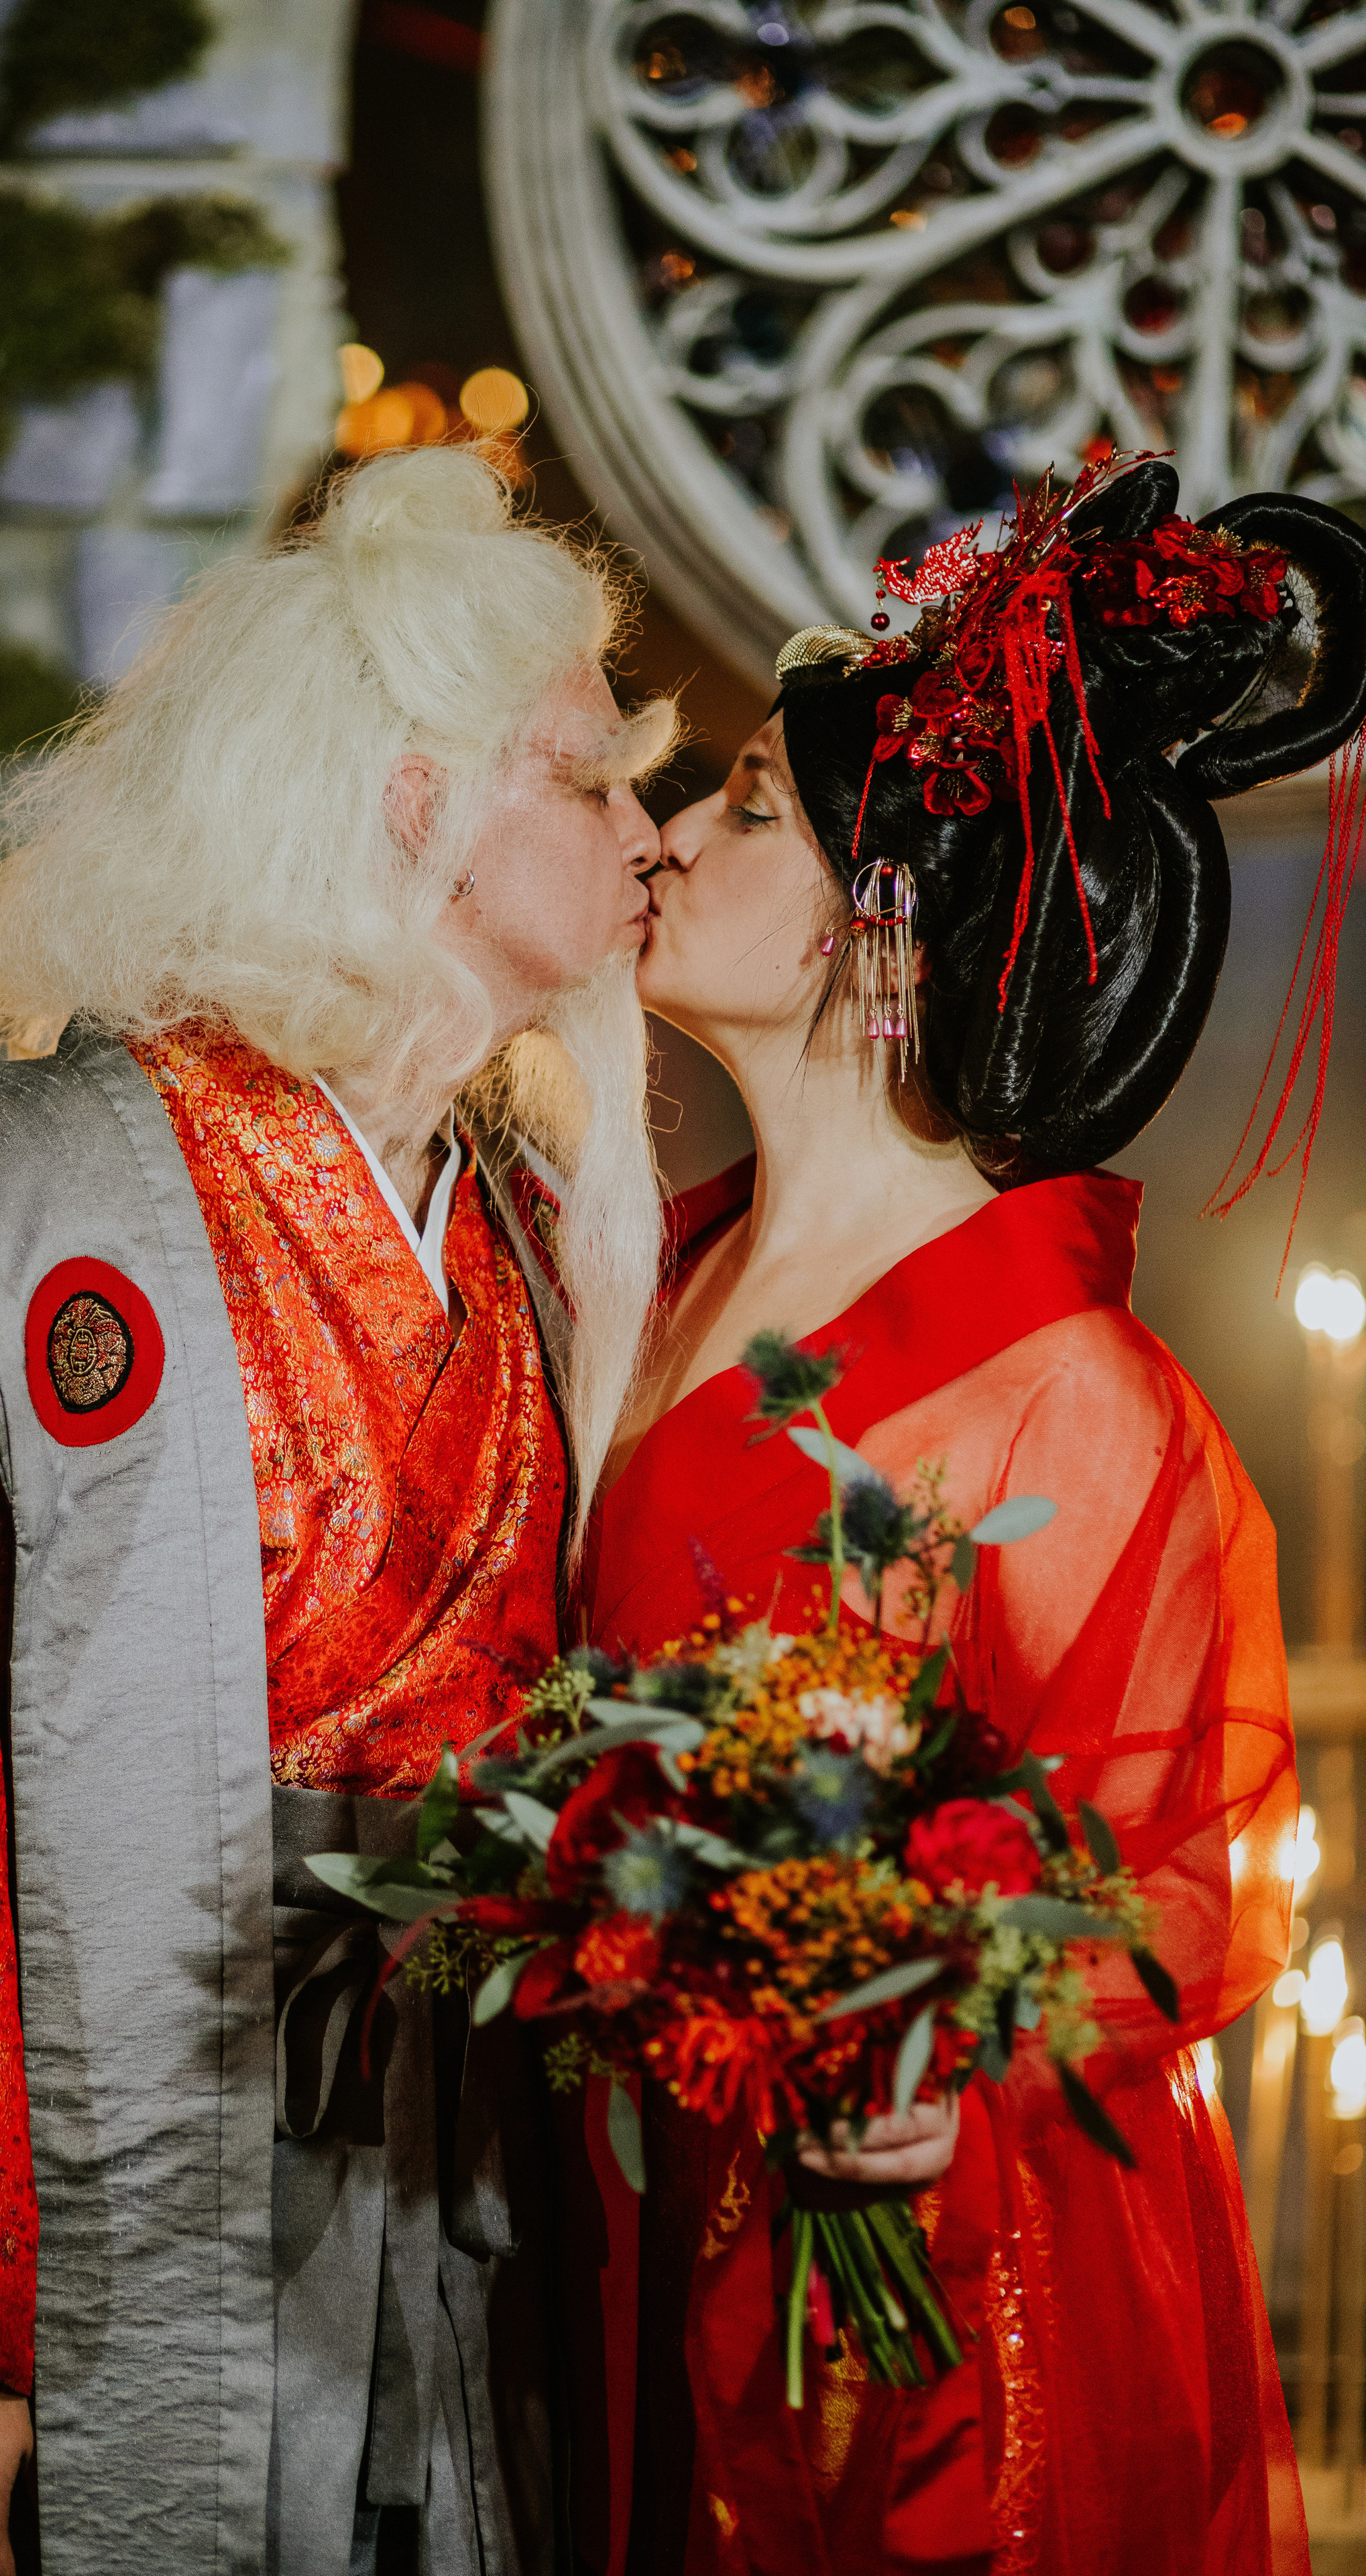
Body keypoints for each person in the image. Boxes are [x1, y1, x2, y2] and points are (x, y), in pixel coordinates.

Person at [0, 447, 677, 2576]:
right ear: (413, 799)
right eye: (588, 779)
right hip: (101, 2254)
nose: (647, 833)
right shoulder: (8, 1209)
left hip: (447, 2234)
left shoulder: (508, 1239)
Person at [565, 456, 1363, 2575]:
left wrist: (932, 2030)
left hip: (935, 2279)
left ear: (878, 917)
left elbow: (1178, 1891)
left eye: (738, 810)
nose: (661, 840)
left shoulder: (1063, 1398)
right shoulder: (656, 1280)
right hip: (647, 2200)